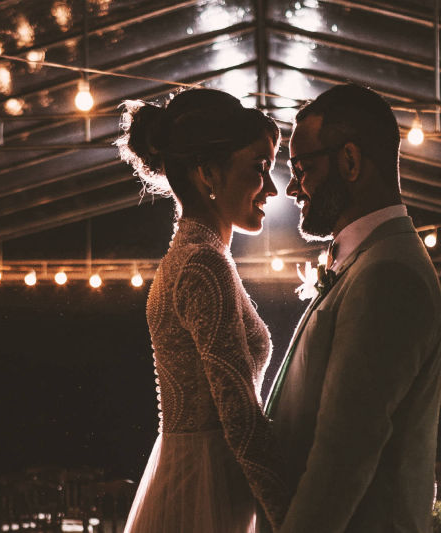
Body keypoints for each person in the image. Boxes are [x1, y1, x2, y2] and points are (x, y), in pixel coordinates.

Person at [264, 83, 441, 533]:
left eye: (302, 167)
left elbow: (342, 457)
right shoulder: (367, 261)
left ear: (349, 161)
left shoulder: (389, 274)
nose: (292, 188)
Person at [117, 88, 290, 533]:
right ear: (208, 174)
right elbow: (239, 414)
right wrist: (295, 516)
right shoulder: (201, 263)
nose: (272, 189)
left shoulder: (197, 255)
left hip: (201, 480)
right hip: (204, 495)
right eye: (259, 168)